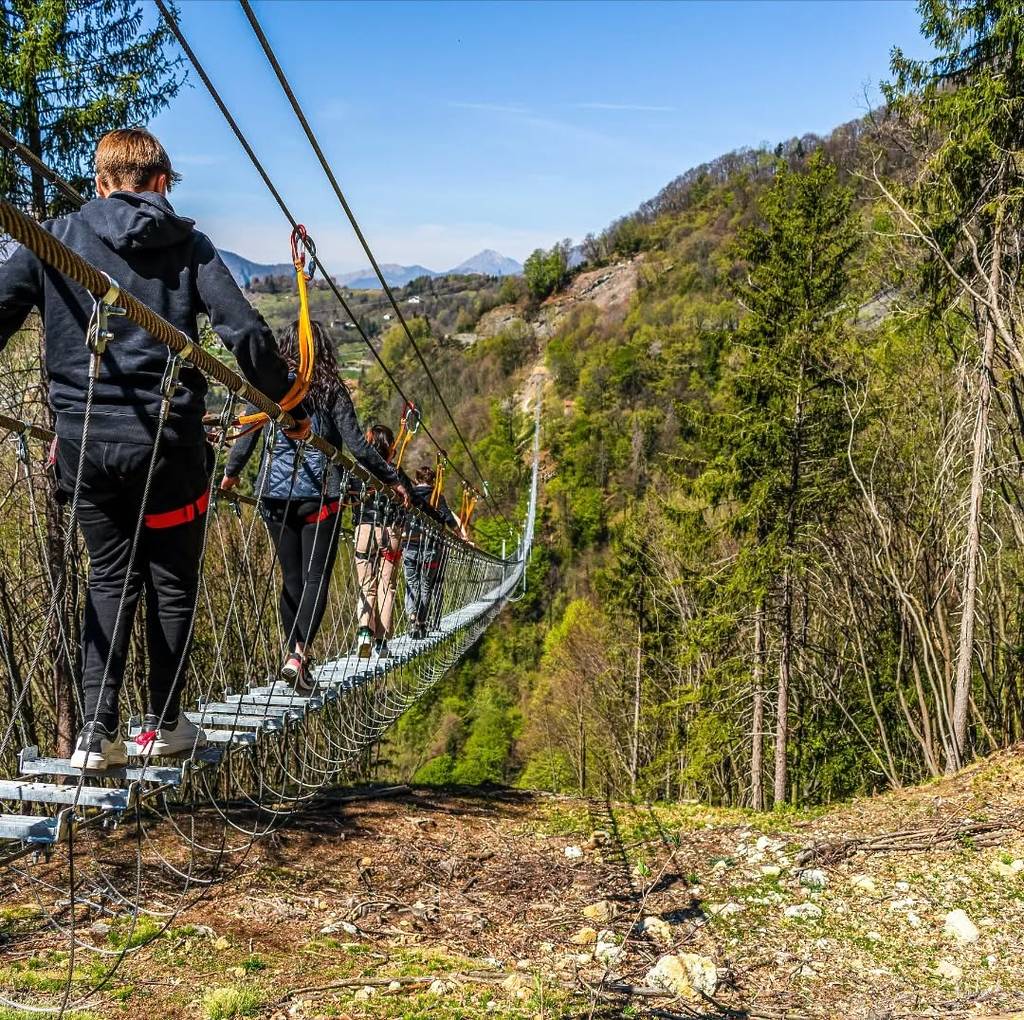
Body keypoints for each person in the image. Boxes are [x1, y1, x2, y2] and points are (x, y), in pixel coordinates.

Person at [0, 128, 306, 770]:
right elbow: (246, 337)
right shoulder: (190, 247)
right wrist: (290, 405)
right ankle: (165, 724)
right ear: (162, 184)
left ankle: (95, 731)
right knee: (172, 581)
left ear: (99, 181)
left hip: (85, 451)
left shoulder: (53, 238)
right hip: (168, 454)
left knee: (110, 574)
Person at [221, 319, 408, 690]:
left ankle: (295, 657)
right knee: (315, 578)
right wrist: (391, 478)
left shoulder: (270, 381)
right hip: (320, 498)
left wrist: (231, 472)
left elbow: (247, 431)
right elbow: (356, 444)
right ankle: (299, 654)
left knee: (290, 580)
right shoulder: (330, 388)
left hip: (273, 497)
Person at [351, 424, 411, 658]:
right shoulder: (395, 472)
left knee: (367, 583)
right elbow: (413, 500)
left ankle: (365, 630)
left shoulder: (357, 470)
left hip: (365, 529)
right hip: (391, 532)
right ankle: (382, 642)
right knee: (388, 584)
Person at [402, 464, 467, 640]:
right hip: (431, 549)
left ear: (417, 480)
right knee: (426, 585)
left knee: (411, 583)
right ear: (432, 481)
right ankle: (422, 623)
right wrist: (461, 536)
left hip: (410, 546)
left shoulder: (409, 494)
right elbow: (448, 518)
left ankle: (412, 617)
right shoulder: (438, 497)